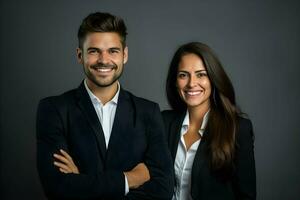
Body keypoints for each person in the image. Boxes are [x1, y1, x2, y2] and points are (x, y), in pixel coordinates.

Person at [36, 12, 174, 200]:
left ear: (124, 55)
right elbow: (58, 188)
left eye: (113, 51)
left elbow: (162, 190)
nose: (103, 60)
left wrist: (81, 181)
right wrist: (129, 179)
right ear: (79, 55)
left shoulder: (148, 112)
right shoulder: (54, 110)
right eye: (94, 51)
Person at [162, 42, 256, 200]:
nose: (192, 83)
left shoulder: (238, 129)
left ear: (213, 78)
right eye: (183, 75)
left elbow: (246, 196)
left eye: (201, 74)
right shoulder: (163, 122)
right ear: (175, 81)